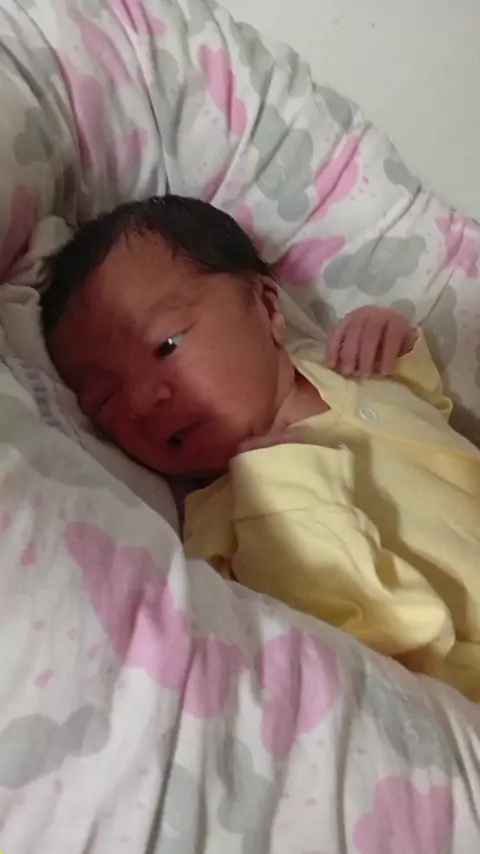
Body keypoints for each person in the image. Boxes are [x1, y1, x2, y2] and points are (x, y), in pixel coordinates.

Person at [41, 195, 480, 700]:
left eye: (166, 345)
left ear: (270, 308)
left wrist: (391, 336)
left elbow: (429, 408)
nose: (141, 401)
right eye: (107, 400)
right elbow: (355, 642)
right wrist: (281, 490)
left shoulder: (342, 368)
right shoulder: (222, 522)